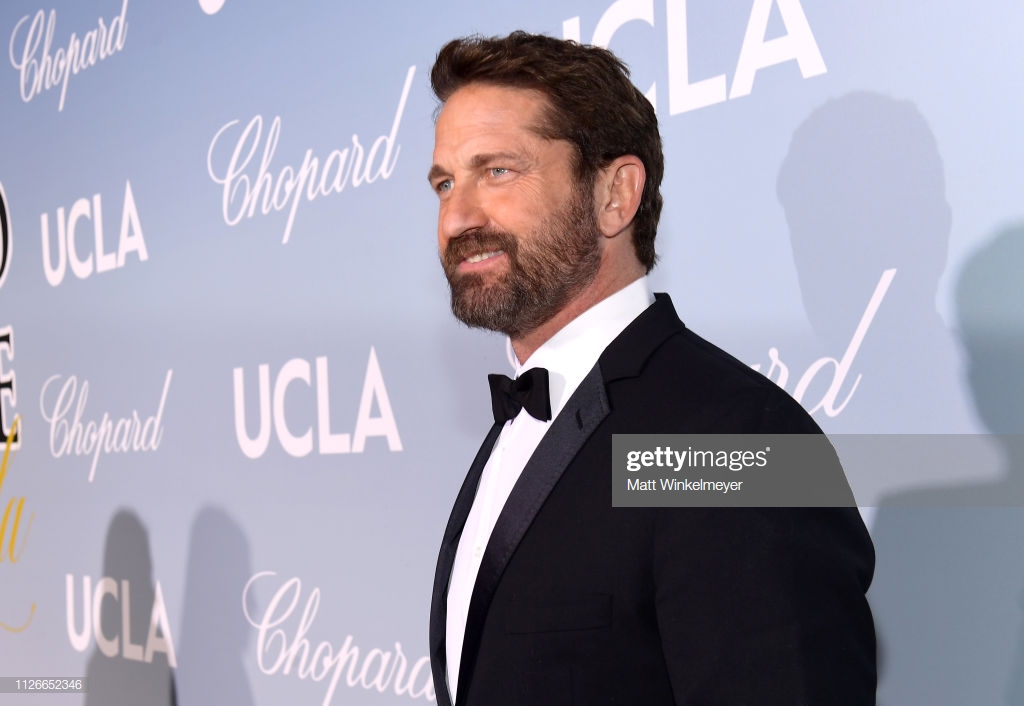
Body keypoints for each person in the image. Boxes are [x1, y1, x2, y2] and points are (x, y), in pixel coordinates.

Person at [426, 31, 875, 706]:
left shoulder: (738, 441)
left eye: (498, 172)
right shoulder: (516, 425)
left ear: (616, 195)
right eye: (444, 183)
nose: (457, 217)